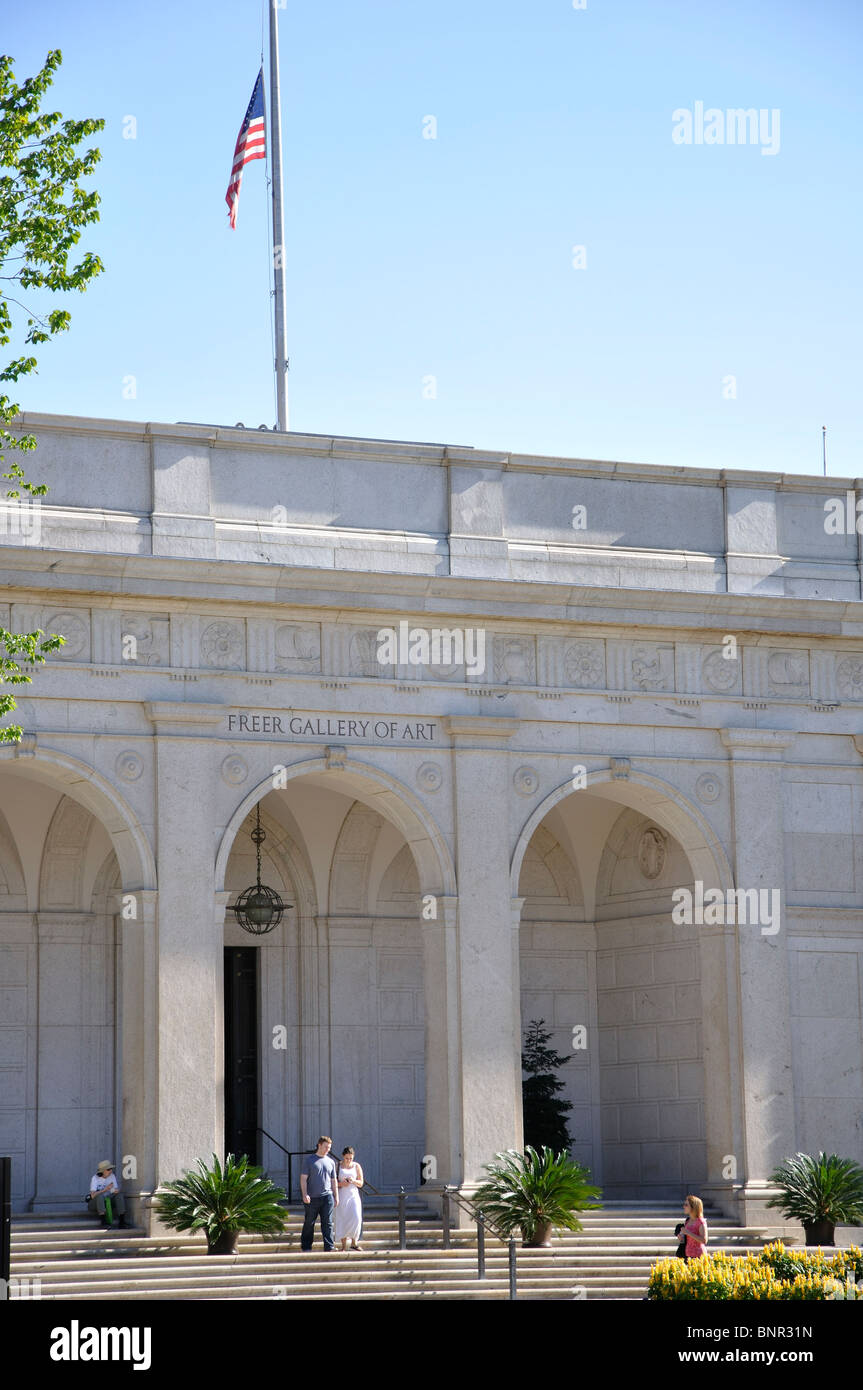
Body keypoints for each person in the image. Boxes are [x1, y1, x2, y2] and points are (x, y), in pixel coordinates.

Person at [299, 1137, 339, 1252]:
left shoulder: (331, 1162)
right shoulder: (309, 1160)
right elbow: (303, 1179)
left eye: (329, 1148)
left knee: (328, 1223)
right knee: (309, 1222)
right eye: (326, 1147)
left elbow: (333, 1180)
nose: (328, 1149)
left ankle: (329, 1246)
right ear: (319, 1145)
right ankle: (306, 1246)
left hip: (327, 1196)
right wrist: (304, 1194)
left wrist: (336, 1196)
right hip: (312, 1197)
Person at [334, 1146, 364, 1251]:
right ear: (343, 1156)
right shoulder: (337, 1166)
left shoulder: (356, 1166)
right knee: (343, 1218)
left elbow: (361, 1183)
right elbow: (332, 1183)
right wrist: (342, 1183)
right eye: (347, 1158)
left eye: (351, 1158)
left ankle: (354, 1242)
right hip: (342, 1194)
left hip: (353, 1195)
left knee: (356, 1217)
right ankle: (343, 1246)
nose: (349, 1160)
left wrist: (353, 1181)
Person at [88, 1160, 128, 1229]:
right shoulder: (95, 1178)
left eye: (111, 1169)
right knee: (100, 1196)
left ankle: (122, 1221)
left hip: (108, 1201)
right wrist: (105, 1189)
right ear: (103, 1171)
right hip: (95, 1203)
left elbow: (114, 1190)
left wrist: (114, 1190)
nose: (111, 1171)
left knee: (119, 1195)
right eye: (108, 1169)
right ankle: (103, 1222)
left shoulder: (112, 1176)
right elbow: (92, 1195)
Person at [680, 1194, 708, 1263]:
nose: (684, 1207)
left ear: (693, 1207)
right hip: (688, 1254)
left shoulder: (700, 1221)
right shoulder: (688, 1220)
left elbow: (704, 1240)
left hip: (698, 1256)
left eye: (686, 1205)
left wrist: (688, 1233)